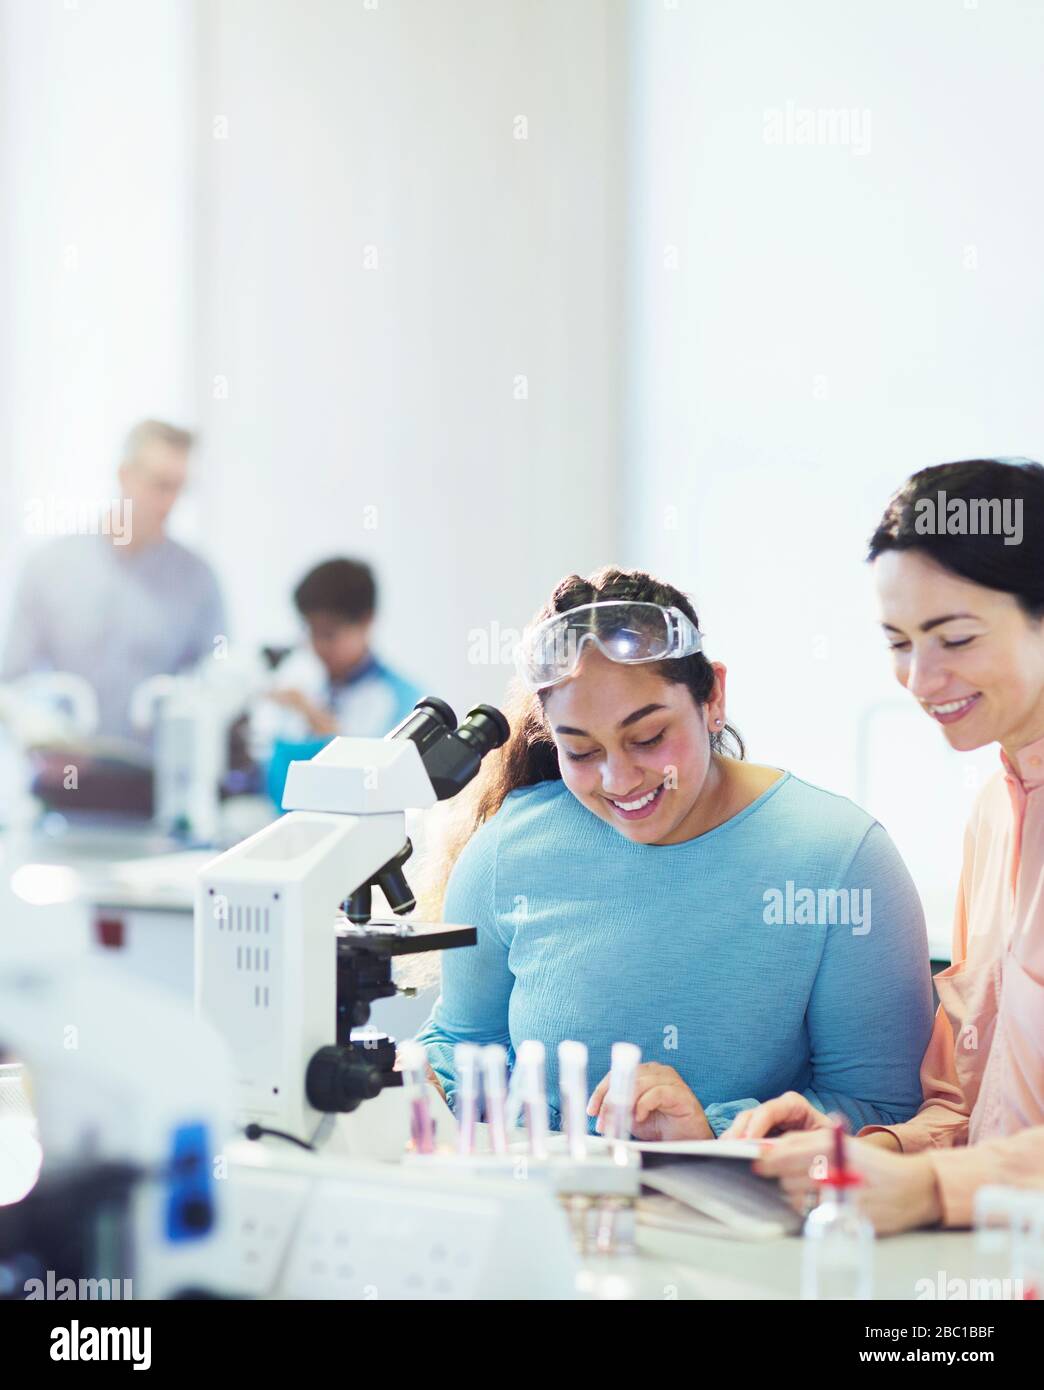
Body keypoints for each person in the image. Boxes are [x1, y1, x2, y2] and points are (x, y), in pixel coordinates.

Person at [414, 566, 934, 1139]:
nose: (618, 779)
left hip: (748, 1222)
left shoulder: (841, 859)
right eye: (581, 751)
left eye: (648, 738)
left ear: (713, 697)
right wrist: (419, 1081)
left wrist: (714, 1133)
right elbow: (462, 1047)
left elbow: (886, 1109)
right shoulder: (508, 850)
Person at [725, 459, 1044, 1233]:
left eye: (955, 638)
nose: (920, 678)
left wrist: (936, 1188)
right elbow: (970, 1105)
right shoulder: (995, 817)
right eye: (898, 641)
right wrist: (863, 1152)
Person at [2, 420, 225, 742]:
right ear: (125, 476)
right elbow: (12, 681)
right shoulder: (48, 567)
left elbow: (217, 681)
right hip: (63, 773)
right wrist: (32, 720)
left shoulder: (198, 579)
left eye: (179, 488)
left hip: (155, 780)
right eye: (160, 485)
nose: (169, 503)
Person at [263, 557, 422, 739]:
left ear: (366, 621)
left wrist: (313, 716)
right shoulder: (305, 688)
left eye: (328, 634)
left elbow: (374, 763)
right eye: (312, 631)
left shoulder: (405, 703)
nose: (319, 645)